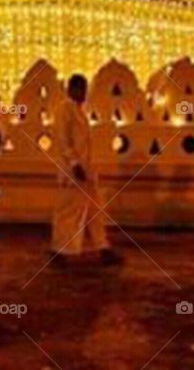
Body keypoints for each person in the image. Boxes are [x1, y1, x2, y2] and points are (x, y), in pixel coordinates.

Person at [51, 74, 120, 265]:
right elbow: (64, 141)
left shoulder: (80, 111)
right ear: (70, 89)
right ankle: (60, 251)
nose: (83, 93)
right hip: (73, 171)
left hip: (86, 170)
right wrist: (74, 164)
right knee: (69, 211)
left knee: (95, 210)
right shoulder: (64, 110)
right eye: (80, 89)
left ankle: (103, 248)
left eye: (85, 89)